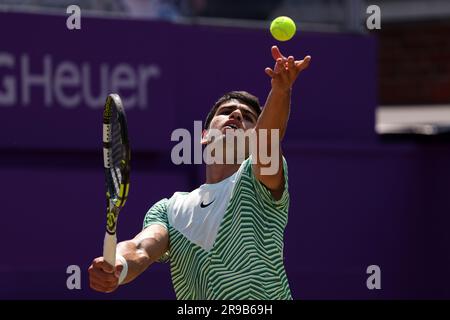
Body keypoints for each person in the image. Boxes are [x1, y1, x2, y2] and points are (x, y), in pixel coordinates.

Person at [88, 46, 311, 299]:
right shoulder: (169, 209)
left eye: (248, 118)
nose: (237, 114)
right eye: (226, 112)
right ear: (205, 136)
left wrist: (280, 91)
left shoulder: (258, 180)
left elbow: (267, 142)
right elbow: (141, 249)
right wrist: (118, 264)